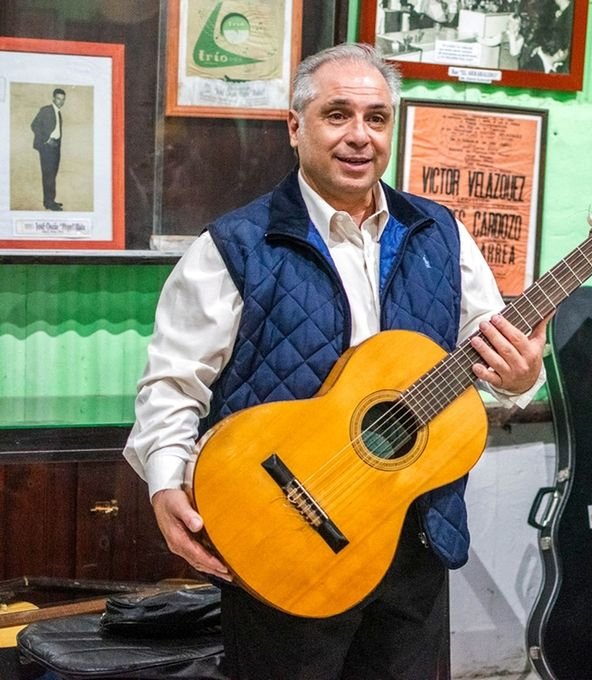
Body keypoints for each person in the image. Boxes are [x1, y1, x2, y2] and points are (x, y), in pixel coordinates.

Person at [123, 43, 547, 680]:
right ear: (295, 128)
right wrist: (163, 482)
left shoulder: (442, 233)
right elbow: (173, 385)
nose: (359, 136)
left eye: (376, 118)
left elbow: (494, 365)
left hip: (415, 541)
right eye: (337, 114)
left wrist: (520, 378)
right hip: (286, 539)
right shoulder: (236, 245)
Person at [30, 87, 66, 211]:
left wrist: (56, 142)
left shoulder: (58, 112)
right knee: (48, 175)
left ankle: (50, 200)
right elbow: (34, 125)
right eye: (58, 98)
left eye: (63, 99)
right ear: (53, 98)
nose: (61, 101)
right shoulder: (46, 110)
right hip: (47, 148)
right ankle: (49, 203)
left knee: (52, 175)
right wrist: (47, 139)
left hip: (56, 147)